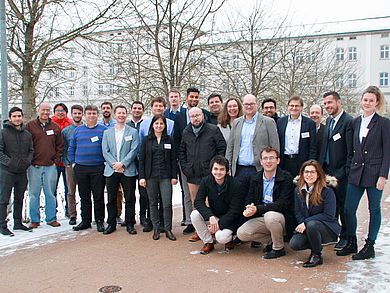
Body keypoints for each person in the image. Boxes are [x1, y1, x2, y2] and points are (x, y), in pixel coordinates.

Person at [337, 86, 390, 260]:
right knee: (348, 209)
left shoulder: (383, 123)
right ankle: (352, 241)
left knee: (374, 209)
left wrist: (383, 175)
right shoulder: (356, 122)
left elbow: (387, 152)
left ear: (377, 103)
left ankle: (370, 246)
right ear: (361, 101)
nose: (367, 103)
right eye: (365, 100)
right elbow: (352, 149)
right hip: (356, 172)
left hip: (375, 174)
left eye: (371, 100)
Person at [236, 147, 295, 259]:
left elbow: (283, 204)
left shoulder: (286, 177)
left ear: (278, 160)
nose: (268, 161)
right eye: (265, 158)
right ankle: (271, 241)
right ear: (261, 162)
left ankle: (278, 248)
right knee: (242, 233)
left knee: (270, 215)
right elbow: (249, 198)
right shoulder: (255, 178)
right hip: (262, 217)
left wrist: (258, 209)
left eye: (271, 158)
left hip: (280, 218)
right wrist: (249, 208)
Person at [179, 107, 226, 241]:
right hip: (192, 175)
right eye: (192, 116)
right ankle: (200, 231)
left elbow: (221, 148)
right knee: (196, 204)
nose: (195, 118)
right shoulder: (186, 131)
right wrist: (186, 167)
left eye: (198, 115)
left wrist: (216, 167)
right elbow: (182, 151)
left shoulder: (213, 129)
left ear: (203, 116)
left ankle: (213, 231)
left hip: (209, 174)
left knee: (210, 203)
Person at [319, 91, 353, 251]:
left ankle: (347, 237)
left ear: (339, 102)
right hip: (327, 172)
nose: (327, 106)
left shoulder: (348, 122)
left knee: (344, 206)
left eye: (330, 103)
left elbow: (350, 151)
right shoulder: (329, 122)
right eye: (325, 103)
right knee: (331, 206)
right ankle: (334, 234)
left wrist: (344, 172)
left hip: (341, 174)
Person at [289, 160, 340, 268]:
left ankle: (316, 254)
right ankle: (316, 242)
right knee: (294, 244)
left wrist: (306, 223)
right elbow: (297, 212)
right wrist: (303, 223)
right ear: (302, 174)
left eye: (313, 172)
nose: (309, 175)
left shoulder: (327, 191)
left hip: (327, 227)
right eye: (306, 172)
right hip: (309, 227)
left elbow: (329, 215)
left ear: (318, 174)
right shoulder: (298, 190)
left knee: (312, 224)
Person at [226, 94, 279, 196]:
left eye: (251, 104)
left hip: (259, 168)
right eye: (246, 104)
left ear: (257, 104)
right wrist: (228, 166)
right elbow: (230, 147)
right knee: (238, 199)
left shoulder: (268, 122)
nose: (249, 106)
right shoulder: (237, 122)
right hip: (239, 170)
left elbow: (275, 147)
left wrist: (272, 167)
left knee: (257, 199)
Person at [173, 87, 210, 234]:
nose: (194, 99)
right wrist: (182, 162)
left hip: (204, 163)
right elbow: (177, 140)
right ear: (186, 98)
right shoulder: (180, 116)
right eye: (191, 97)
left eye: (196, 97)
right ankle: (190, 221)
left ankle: (207, 222)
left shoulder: (205, 114)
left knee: (206, 193)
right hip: (186, 163)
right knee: (188, 194)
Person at [191, 155, 244, 254]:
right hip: (214, 215)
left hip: (231, 220)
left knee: (221, 237)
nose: (218, 172)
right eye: (215, 169)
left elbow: (235, 210)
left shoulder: (236, 184)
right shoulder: (206, 181)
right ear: (211, 170)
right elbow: (198, 202)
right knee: (194, 215)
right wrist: (210, 216)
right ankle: (208, 242)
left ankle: (230, 239)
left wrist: (219, 224)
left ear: (227, 171)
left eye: (222, 169)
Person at [139, 115, 178, 241]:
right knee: (153, 203)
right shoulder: (146, 140)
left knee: (167, 204)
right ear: (152, 125)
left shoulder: (169, 140)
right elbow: (142, 160)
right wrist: (142, 177)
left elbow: (173, 159)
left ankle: (168, 229)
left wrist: (174, 176)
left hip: (166, 177)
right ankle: (156, 228)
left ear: (165, 125)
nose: (159, 126)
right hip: (151, 177)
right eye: (156, 124)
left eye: (161, 123)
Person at [68, 105, 107, 233]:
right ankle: (86, 221)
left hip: (98, 167)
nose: (91, 116)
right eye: (89, 113)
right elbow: (71, 148)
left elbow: (108, 147)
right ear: (85, 115)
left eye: (94, 113)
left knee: (98, 196)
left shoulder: (104, 130)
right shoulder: (78, 131)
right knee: (84, 196)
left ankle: (100, 220)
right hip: (81, 168)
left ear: (98, 115)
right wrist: (73, 162)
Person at [102, 105, 139, 235]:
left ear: (126, 114)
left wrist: (123, 164)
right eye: (119, 113)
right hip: (111, 170)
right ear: (115, 114)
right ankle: (111, 223)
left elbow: (134, 150)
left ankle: (130, 223)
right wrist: (115, 164)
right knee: (111, 198)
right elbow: (105, 151)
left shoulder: (133, 132)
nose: (121, 115)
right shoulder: (107, 133)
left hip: (127, 170)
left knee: (130, 198)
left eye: (124, 113)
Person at [26, 103, 63, 229]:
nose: (45, 112)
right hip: (34, 166)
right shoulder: (30, 126)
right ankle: (34, 220)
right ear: (38, 110)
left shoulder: (55, 127)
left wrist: (56, 160)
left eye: (48, 110)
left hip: (50, 166)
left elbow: (60, 146)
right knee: (34, 194)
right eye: (43, 110)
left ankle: (51, 218)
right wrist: (29, 160)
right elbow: (25, 144)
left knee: (50, 193)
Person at [0, 107, 34, 236]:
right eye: (14, 116)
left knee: (19, 197)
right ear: (10, 118)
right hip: (7, 171)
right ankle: (2, 225)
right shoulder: (3, 133)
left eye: (19, 116)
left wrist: (27, 161)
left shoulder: (27, 134)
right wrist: (10, 163)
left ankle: (18, 222)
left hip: (22, 171)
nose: (17, 118)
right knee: (4, 199)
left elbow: (31, 150)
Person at [127, 101, 152, 232]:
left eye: (139, 108)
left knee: (144, 192)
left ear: (143, 110)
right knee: (130, 192)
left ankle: (144, 216)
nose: (137, 110)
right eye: (134, 108)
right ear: (131, 110)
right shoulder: (126, 125)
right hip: (129, 163)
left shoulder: (147, 124)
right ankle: (129, 218)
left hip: (144, 163)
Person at [277, 95, 317, 177]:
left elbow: (313, 147)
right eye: (291, 105)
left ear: (301, 107)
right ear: (288, 107)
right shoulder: (280, 122)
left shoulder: (309, 123)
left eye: (297, 106)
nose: (294, 108)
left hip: (302, 162)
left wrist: (310, 165)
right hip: (284, 162)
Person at [62, 104, 84, 225]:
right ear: (72, 114)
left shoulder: (86, 129)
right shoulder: (66, 131)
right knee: (71, 191)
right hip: (71, 164)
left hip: (84, 165)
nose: (77, 115)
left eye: (79, 113)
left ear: (82, 114)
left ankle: (86, 214)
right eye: (75, 113)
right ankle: (72, 214)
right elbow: (63, 148)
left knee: (85, 191)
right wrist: (67, 162)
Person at [51, 103, 73, 216]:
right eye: (58, 110)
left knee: (68, 188)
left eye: (62, 110)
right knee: (52, 188)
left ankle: (69, 210)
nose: (60, 113)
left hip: (67, 162)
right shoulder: (50, 124)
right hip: (53, 162)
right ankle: (52, 210)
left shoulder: (70, 124)